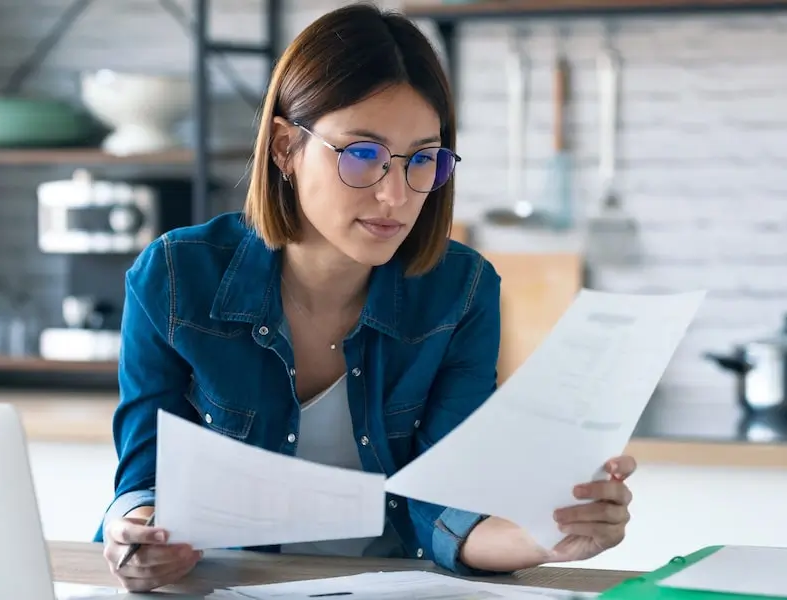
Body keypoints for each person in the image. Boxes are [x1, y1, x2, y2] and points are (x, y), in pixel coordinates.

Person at [96, 3, 636, 593]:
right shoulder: (176, 276)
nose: (396, 195)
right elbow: (144, 485)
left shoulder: (462, 290)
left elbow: (447, 509)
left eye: (423, 160)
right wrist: (138, 537)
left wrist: (548, 535)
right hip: (229, 585)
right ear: (284, 148)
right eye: (362, 154)